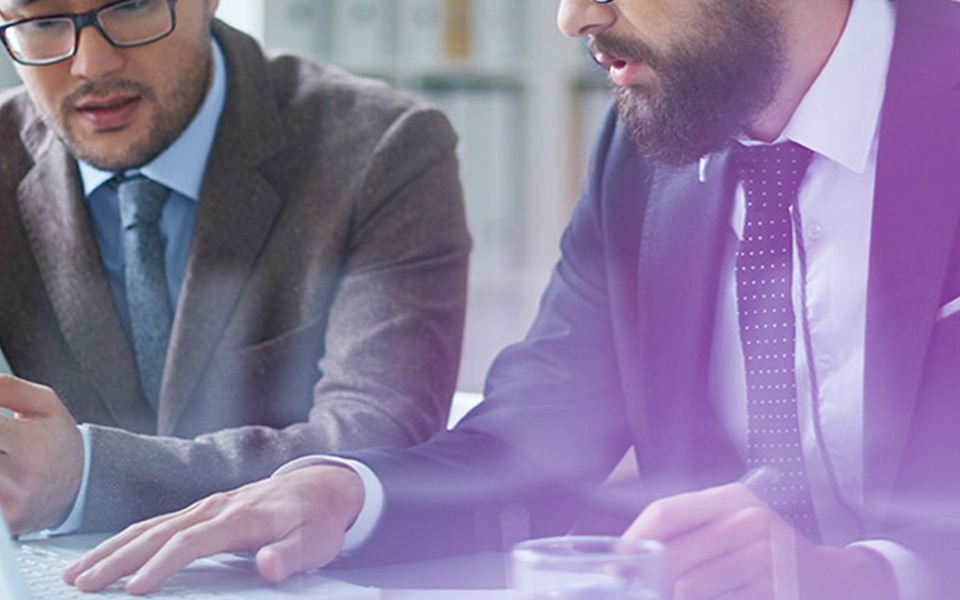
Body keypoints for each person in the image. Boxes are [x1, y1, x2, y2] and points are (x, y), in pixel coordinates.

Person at [62, 0, 960, 598]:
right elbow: (532, 441)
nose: (572, 16)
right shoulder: (643, 153)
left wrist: (865, 577)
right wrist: (346, 492)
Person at [0, 0, 470, 537]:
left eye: (131, 5)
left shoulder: (385, 150)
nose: (92, 64)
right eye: (41, 22)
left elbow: (377, 447)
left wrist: (87, 476)